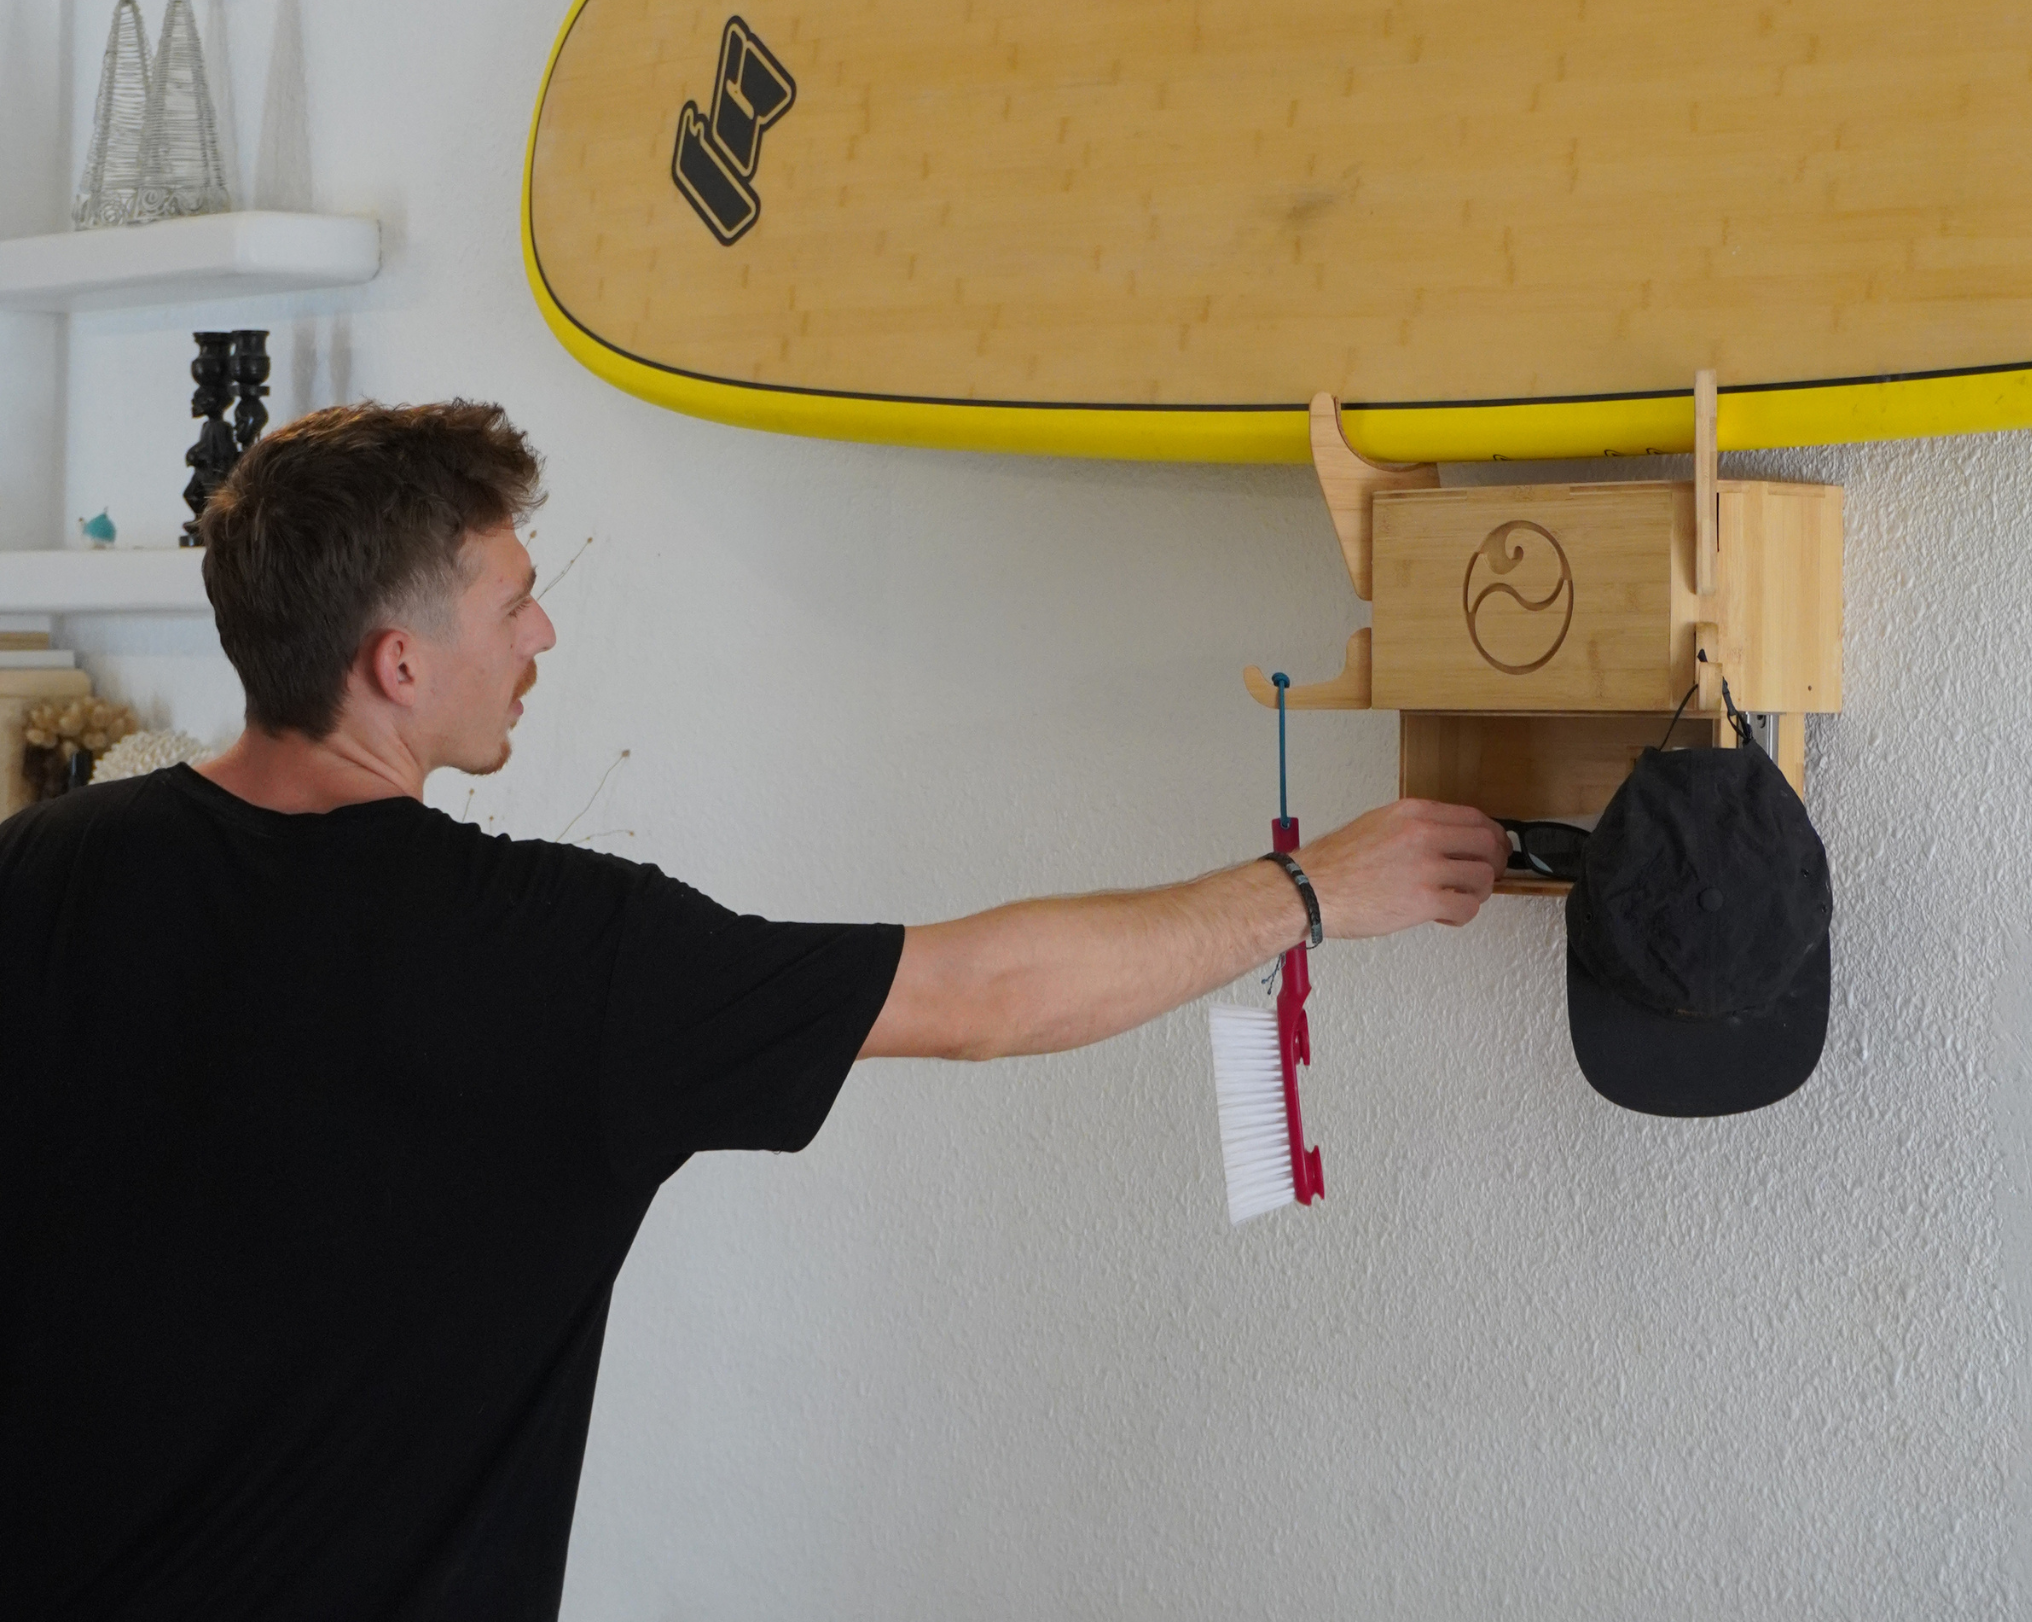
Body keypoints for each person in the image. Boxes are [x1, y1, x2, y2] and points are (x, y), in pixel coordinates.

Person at [0, 400, 1506, 1619]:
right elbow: (985, 994)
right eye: (516, 604)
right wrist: (1311, 891)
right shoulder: (553, 954)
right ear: (397, 664)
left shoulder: (40, 871)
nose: (542, 637)